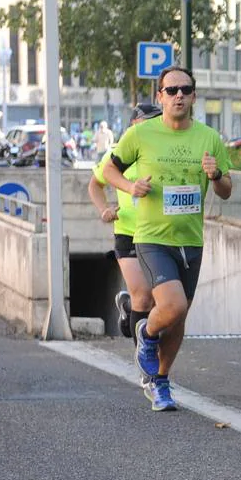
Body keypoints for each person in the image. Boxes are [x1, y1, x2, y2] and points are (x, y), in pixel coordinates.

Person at [102, 67, 233, 412]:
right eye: (171, 90)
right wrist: (131, 188)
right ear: (159, 97)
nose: (178, 95)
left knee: (178, 317)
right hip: (151, 237)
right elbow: (107, 171)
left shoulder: (209, 138)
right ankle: (145, 334)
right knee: (172, 305)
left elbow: (226, 190)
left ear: (193, 96)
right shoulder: (142, 134)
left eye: (185, 90)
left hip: (190, 239)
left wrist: (216, 175)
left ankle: (160, 381)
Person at [87, 103, 162, 341]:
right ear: (134, 126)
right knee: (143, 296)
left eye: (157, 121)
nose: (153, 127)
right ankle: (145, 358)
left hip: (161, 232)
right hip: (128, 230)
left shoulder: (163, 152)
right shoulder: (119, 154)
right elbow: (95, 184)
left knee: (157, 301)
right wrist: (104, 209)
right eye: (147, 122)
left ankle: (128, 308)